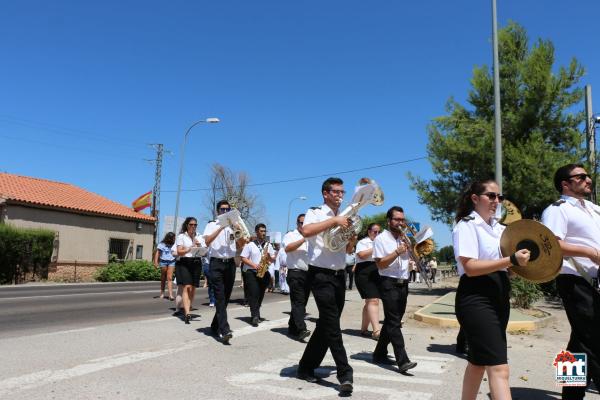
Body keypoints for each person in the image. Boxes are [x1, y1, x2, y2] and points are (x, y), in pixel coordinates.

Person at [453, 179, 530, 400]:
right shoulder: (466, 225)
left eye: (500, 197)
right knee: (499, 368)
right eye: (491, 196)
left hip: (499, 295)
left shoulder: (501, 228)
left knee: (478, 362)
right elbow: (470, 267)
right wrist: (510, 260)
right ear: (475, 199)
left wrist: (518, 265)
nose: (497, 201)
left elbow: (507, 268)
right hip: (476, 298)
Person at [541, 164, 600, 400]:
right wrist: (590, 253)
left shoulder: (595, 209)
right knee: (594, 340)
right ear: (566, 184)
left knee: (579, 343)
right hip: (575, 280)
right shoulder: (558, 210)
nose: (588, 179)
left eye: (588, 176)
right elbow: (551, 244)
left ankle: (571, 395)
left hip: (595, 281)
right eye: (582, 176)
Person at [296, 177, 354, 394]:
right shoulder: (316, 212)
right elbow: (307, 231)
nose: (340, 195)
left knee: (326, 325)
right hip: (320, 275)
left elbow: (348, 250)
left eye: (342, 192)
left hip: (339, 276)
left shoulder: (345, 215)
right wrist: (334, 221)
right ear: (325, 193)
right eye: (336, 192)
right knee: (332, 323)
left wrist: (351, 237)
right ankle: (344, 374)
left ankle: (305, 366)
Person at [371, 207, 417, 373]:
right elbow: (380, 264)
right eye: (397, 219)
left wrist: (413, 249)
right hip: (388, 282)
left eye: (402, 220)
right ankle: (402, 359)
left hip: (403, 282)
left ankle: (379, 353)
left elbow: (413, 257)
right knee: (394, 321)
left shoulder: (405, 238)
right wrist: (397, 252)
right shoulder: (381, 239)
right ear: (389, 221)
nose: (400, 223)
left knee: (393, 321)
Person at [203, 200, 247, 344]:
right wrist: (221, 227)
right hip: (216, 263)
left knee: (226, 298)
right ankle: (225, 329)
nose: (225, 212)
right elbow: (207, 241)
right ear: (217, 211)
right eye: (222, 209)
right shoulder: (211, 225)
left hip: (230, 264)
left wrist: (236, 229)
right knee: (220, 298)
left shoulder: (233, 227)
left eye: (227, 209)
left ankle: (215, 325)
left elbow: (242, 245)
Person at [240, 223, 275, 327]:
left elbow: (272, 259)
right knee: (254, 294)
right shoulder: (250, 245)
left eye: (265, 231)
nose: (263, 233)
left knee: (260, 295)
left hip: (264, 272)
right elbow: (243, 258)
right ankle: (254, 316)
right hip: (251, 272)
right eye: (261, 231)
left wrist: (270, 257)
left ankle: (256, 312)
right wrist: (254, 265)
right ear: (256, 232)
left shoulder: (268, 245)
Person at [174, 217, 207, 324]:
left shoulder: (199, 236)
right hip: (184, 262)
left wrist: (199, 246)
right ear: (187, 225)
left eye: (195, 225)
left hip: (196, 263)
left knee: (193, 288)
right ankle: (187, 313)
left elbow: (204, 252)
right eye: (191, 224)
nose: (193, 227)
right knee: (186, 287)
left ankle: (188, 306)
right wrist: (190, 248)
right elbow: (179, 251)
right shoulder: (181, 236)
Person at [284, 213, 311, 340]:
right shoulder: (291, 235)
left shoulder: (313, 236)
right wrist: (303, 239)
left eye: (306, 223)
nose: (303, 225)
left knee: (300, 303)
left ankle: (292, 326)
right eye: (301, 223)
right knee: (298, 302)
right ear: (297, 224)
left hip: (308, 273)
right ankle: (302, 329)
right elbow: (288, 248)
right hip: (295, 272)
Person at [355, 223, 382, 340]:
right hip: (364, 272)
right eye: (374, 232)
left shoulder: (380, 242)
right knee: (373, 300)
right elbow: (361, 255)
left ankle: (364, 329)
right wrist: (376, 247)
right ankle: (376, 331)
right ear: (369, 231)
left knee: (370, 302)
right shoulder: (363, 242)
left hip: (376, 271)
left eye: (378, 232)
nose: (377, 234)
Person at [153, 232, 176, 300]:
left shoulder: (174, 244)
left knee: (169, 278)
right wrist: (156, 262)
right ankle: (162, 293)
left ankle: (170, 295)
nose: (174, 239)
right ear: (169, 238)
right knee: (163, 278)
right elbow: (157, 253)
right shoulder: (162, 244)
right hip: (163, 261)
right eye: (173, 238)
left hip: (172, 261)